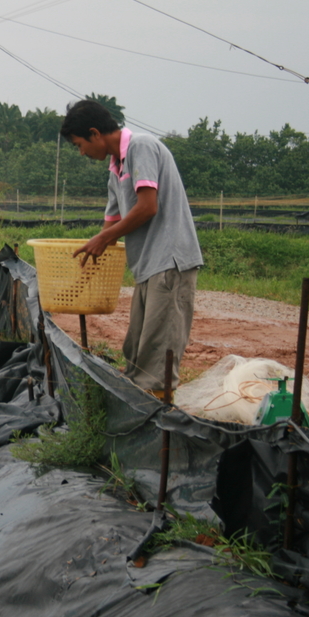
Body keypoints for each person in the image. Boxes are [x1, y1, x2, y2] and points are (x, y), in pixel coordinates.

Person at [60, 99, 203, 397]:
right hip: (148, 266)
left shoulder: (142, 147)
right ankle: (140, 411)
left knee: (157, 355)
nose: (82, 152)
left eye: (79, 145)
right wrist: (86, 268)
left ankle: (158, 423)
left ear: (95, 133)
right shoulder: (116, 168)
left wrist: (101, 240)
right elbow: (110, 225)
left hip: (170, 261)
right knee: (137, 349)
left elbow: (148, 207)